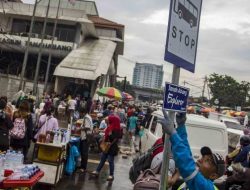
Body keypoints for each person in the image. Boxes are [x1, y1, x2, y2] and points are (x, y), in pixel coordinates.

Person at [159, 109, 226, 190]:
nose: (199, 160)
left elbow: (187, 165)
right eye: (203, 157)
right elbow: (187, 155)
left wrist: (173, 134)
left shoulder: (206, 187)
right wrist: (181, 126)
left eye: (208, 160)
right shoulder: (196, 182)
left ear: (213, 176)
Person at [91, 115, 121, 181]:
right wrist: (104, 138)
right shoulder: (110, 126)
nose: (108, 120)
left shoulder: (116, 128)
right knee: (102, 159)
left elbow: (115, 138)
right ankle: (97, 171)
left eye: (109, 119)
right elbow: (106, 134)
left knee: (110, 161)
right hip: (106, 145)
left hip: (111, 147)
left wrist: (110, 135)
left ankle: (111, 175)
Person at [79, 107, 93, 173]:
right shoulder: (87, 117)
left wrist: (80, 128)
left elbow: (87, 127)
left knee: (84, 153)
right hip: (84, 137)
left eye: (80, 113)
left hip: (86, 137)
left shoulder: (87, 118)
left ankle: (83, 167)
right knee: (83, 152)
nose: (80, 114)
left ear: (83, 112)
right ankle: (82, 165)